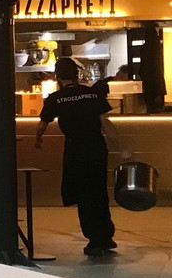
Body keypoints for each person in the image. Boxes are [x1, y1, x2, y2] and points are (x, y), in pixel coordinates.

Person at [35, 57, 128, 257]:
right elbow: (106, 123)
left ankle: (94, 240)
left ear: (57, 76)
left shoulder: (55, 99)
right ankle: (105, 236)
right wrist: (121, 149)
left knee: (83, 194)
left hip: (75, 149)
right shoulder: (93, 94)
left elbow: (42, 125)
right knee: (98, 191)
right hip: (96, 147)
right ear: (77, 74)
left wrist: (38, 139)